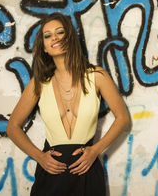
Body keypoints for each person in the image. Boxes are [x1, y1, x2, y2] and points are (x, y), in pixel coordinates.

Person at [7, 12, 130, 195]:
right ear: (45, 48)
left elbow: (123, 118)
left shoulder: (97, 76)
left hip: (86, 171)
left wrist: (95, 151)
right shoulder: (39, 83)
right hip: (50, 174)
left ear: (70, 38)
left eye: (60, 32)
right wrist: (40, 157)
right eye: (47, 36)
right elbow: (13, 127)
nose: (54, 38)